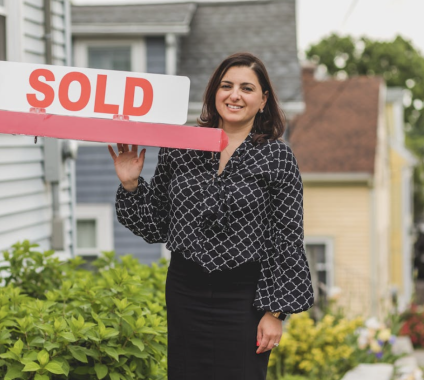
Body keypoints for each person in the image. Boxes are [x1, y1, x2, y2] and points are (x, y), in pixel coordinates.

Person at [108, 52, 314, 380]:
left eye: (246, 88)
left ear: (263, 100)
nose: (234, 95)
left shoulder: (277, 157)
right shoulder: (181, 146)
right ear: (213, 93)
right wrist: (131, 183)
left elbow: (286, 237)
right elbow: (157, 224)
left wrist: (275, 311)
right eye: (226, 86)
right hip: (185, 290)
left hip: (245, 298)